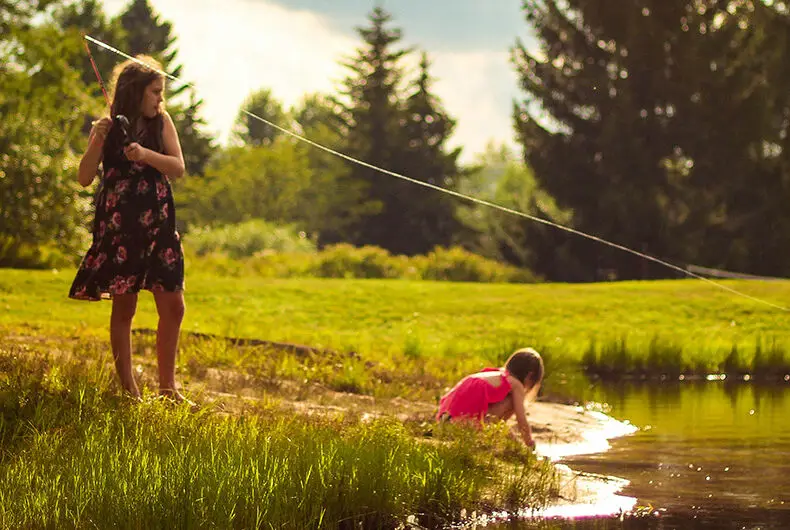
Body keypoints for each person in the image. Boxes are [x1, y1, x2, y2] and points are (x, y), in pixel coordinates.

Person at [69, 55, 188, 403]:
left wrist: (145, 155)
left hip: (159, 227)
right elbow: (84, 177)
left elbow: (178, 167)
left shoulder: (162, 123)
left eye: (161, 93)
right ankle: (129, 391)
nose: (160, 100)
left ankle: (169, 390)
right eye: (155, 93)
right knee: (125, 308)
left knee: (174, 305)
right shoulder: (108, 127)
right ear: (136, 92)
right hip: (121, 230)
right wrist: (96, 141)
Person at [436, 347, 544, 449]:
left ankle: (493, 437)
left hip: (444, 421)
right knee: (512, 403)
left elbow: (495, 420)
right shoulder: (516, 385)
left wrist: (514, 441)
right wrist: (529, 443)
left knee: (500, 411)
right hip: (461, 425)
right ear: (530, 376)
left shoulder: (496, 375)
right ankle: (488, 437)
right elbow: (521, 420)